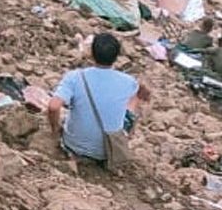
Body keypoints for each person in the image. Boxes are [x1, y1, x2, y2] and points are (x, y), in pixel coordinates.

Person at [47, 32, 148, 166]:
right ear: (116, 57)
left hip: (73, 145)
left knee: (72, 113)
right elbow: (144, 93)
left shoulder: (75, 77)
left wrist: (55, 129)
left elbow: (53, 107)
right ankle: (125, 137)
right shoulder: (129, 82)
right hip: (109, 150)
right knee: (133, 100)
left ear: (92, 54)